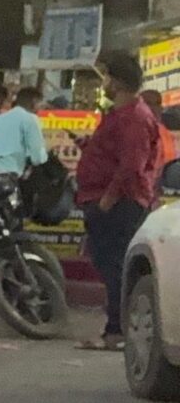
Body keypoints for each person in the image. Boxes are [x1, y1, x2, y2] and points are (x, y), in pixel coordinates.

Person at [75, 50, 160, 351]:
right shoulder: (120, 115)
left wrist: (107, 200)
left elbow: (131, 167)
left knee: (115, 267)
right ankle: (115, 329)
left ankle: (117, 331)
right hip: (104, 199)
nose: (104, 83)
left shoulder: (134, 117)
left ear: (118, 82)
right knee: (109, 265)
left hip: (119, 204)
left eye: (107, 77)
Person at [0, 83, 47, 178]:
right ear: (34, 102)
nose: (40, 110)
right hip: (8, 177)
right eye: (40, 105)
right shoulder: (30, 119)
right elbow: (37, 158)